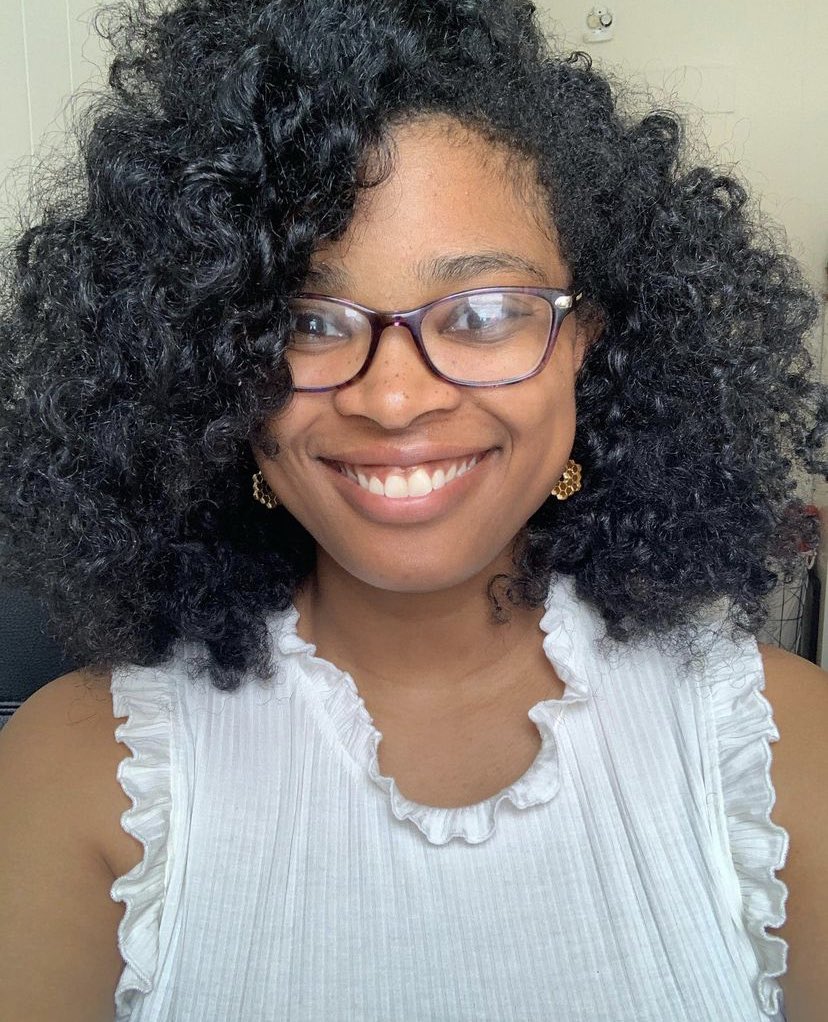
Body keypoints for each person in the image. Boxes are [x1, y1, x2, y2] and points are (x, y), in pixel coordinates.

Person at [0, 1, 826, 1019]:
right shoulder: (79, 769)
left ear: (586, 343)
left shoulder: (780, 746)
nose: (393, 399)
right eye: (307, 318)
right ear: (210, 359)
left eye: (482, 313)